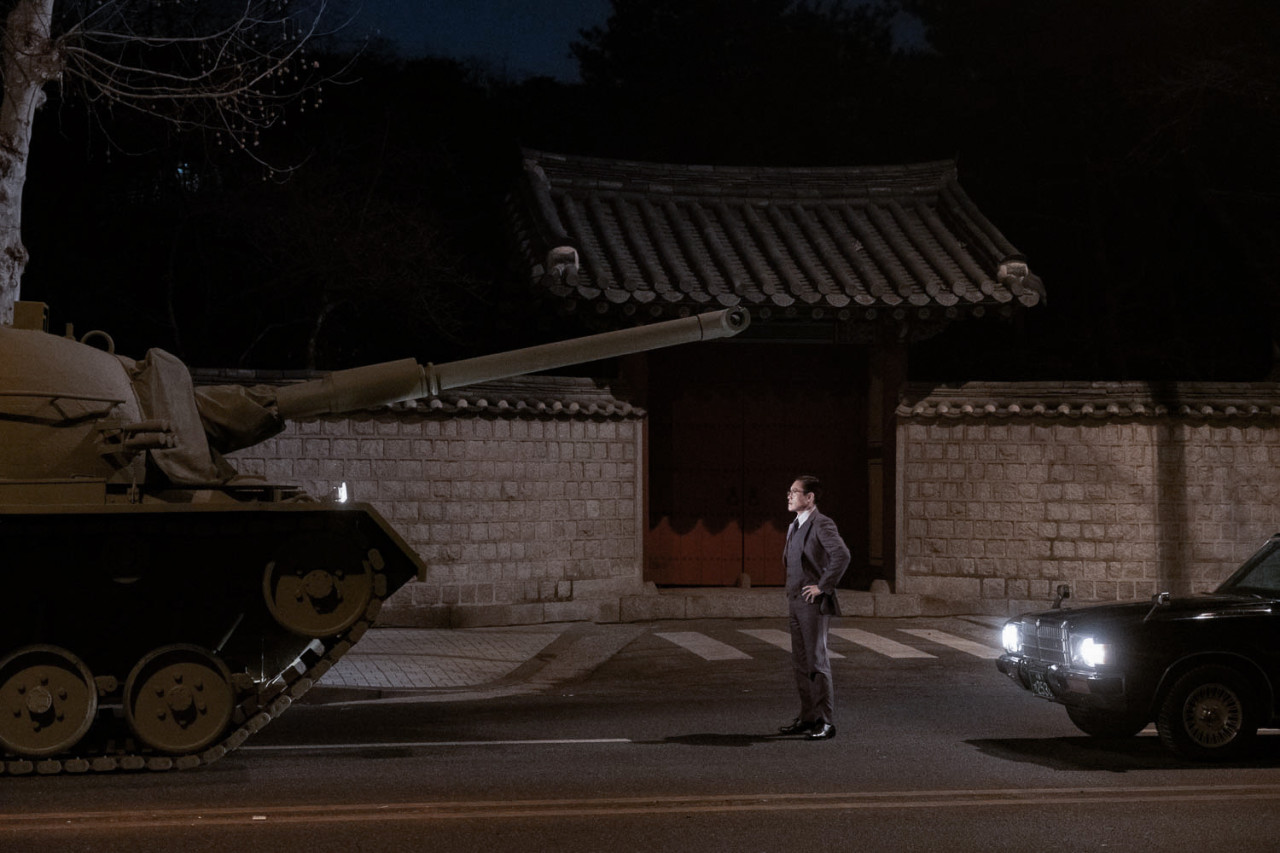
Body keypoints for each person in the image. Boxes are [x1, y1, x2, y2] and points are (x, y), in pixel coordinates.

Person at [777, 475, 851, 740]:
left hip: (813, 604)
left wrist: (823, 586)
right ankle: (808, 716)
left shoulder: (822, 523)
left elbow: (842, 555)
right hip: (795, 601)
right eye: (789, 491)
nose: (789, 496)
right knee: (800, 662)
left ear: (809, 498)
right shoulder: (794, 525)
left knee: (817, 661)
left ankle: (826, 721)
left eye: (795, 492)